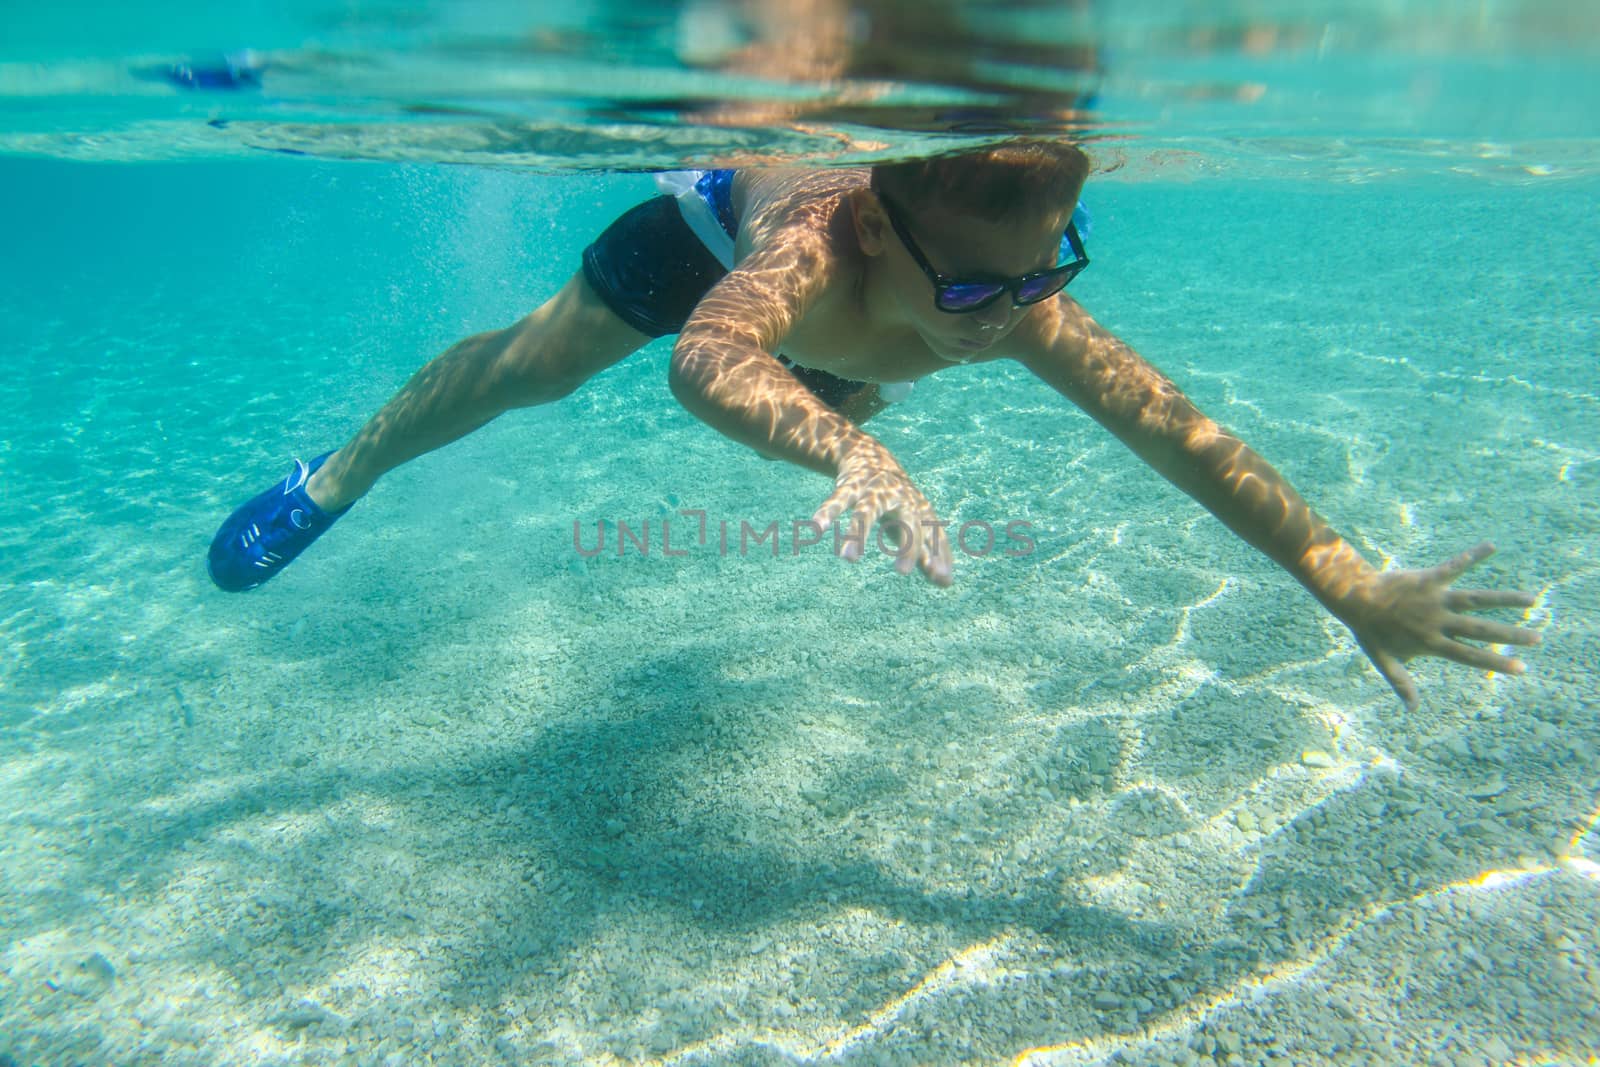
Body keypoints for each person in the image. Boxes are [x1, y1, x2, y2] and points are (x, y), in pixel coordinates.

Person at [206, 141, 1540, 709]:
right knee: (529, 373)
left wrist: (1340, 575)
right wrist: (847, 443)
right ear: (870, 231)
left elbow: (1177, 436)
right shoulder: (804, 250)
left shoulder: (1010, 295)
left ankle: (852, 390)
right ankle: (335, 479)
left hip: (847, 337)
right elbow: (707, 356)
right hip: (700, 242)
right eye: (970, 289)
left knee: (893, 371)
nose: (1003, 317)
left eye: (1047, 272)